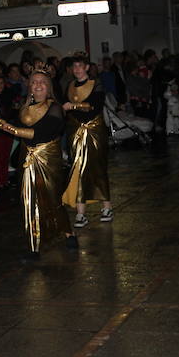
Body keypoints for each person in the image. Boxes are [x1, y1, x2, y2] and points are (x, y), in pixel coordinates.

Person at [0, 65, 78, 256]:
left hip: (48, 159)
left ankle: (68, 232)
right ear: (29, 86)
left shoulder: (55, 107)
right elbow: (14, 125)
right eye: (34, 82)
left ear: (48, 86)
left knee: (52, 199)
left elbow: (43, 132)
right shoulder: (25, 108)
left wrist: (7, 127)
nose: (38, 85)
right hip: (27, 158)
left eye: (42, 82)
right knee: (28, 201)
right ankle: (33, 245)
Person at [62, 54, 112, 228]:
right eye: (74, 66)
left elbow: (94, 108)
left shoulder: (95, 84)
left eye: (80, 66)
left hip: (94, 131)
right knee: (78, 169)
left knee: (98, 167)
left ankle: (107, 206)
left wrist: (74, 106)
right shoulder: (69, 86)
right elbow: (68, 110)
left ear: (86, 68)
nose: (77, 69)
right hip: (75, 131)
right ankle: (80, 213)